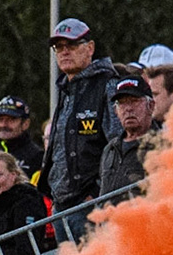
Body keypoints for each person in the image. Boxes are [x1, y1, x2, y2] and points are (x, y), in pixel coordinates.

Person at [40, 19, 122, 220]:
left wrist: (95, 193)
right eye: (59, 47)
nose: (64, 51)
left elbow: (119, 144)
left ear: (90, 48)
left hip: (90, 206)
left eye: (72, 45)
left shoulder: (107, 85)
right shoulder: (65, 88)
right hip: (61, 205)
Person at [98, 75, 157, 200]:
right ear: (116, 111)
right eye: (122, 103)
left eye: (134, 101)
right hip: (109, 218)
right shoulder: (110, 149)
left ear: (151, 106)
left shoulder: (162, 145)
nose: (128, 109)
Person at [0, 96, 45, 181]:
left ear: (25, 124)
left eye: (11, 120)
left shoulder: (37, 157)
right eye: (0, 119)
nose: (3, 125)